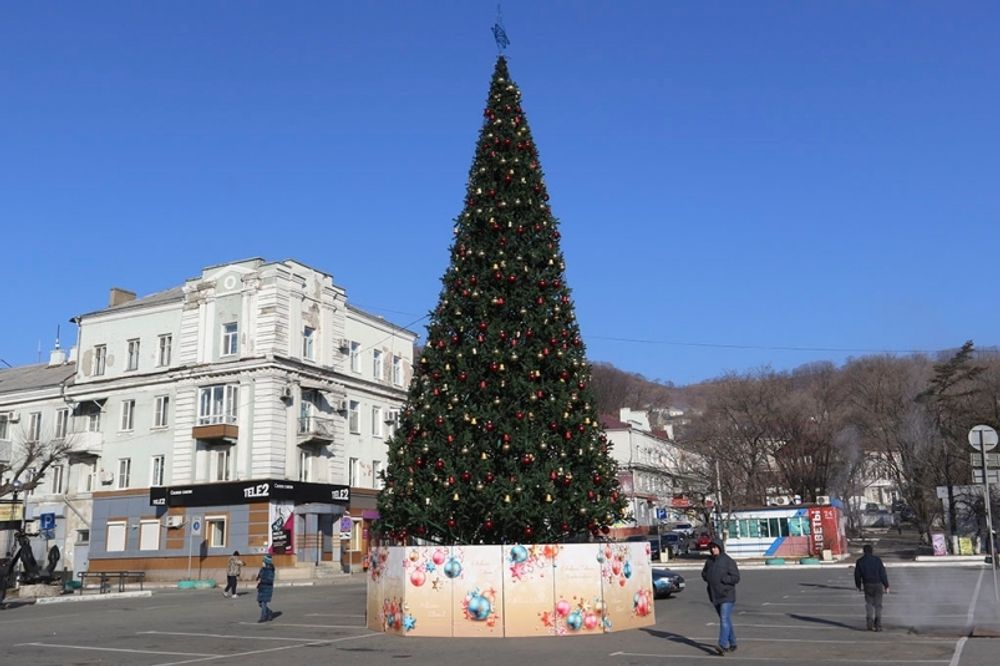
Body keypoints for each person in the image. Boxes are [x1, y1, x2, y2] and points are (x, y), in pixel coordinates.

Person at [701, 539, 740, 655]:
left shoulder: (728, 561)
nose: (713, 550)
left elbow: (736, 577)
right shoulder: (709, 561)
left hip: (727, 595)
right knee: (725, 619)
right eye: (711, 548)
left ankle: (723, 645)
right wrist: (708, 577)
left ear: (720, 547)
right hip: (714, 595)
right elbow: (704, 573)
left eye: (715, 547)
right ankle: (733, 642)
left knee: (724, 618)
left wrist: (724, 579)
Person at [854, 544, 890, 631]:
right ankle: (878, 625)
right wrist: (886, 585)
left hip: (867, 585)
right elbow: (883, 574)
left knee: (869, 604)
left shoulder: (860, 561)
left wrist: (858, 586)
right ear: (872, 551)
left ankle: (869, 624)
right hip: (878, 584)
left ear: (864, 551)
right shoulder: (877, 560)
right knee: (878, 605)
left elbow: (857, 575)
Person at [255, 554, 277, 622]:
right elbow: (259, 575)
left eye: (263, 561)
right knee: (260, 603)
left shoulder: (270, 570)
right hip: (261, 588)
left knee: (264, 603)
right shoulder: (262, 569)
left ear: (266, 562)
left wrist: (262, 580)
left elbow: (269, 580)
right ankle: (269, 612)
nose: (262, 562)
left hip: (267, 588)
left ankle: (263, 617)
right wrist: (258, 578)